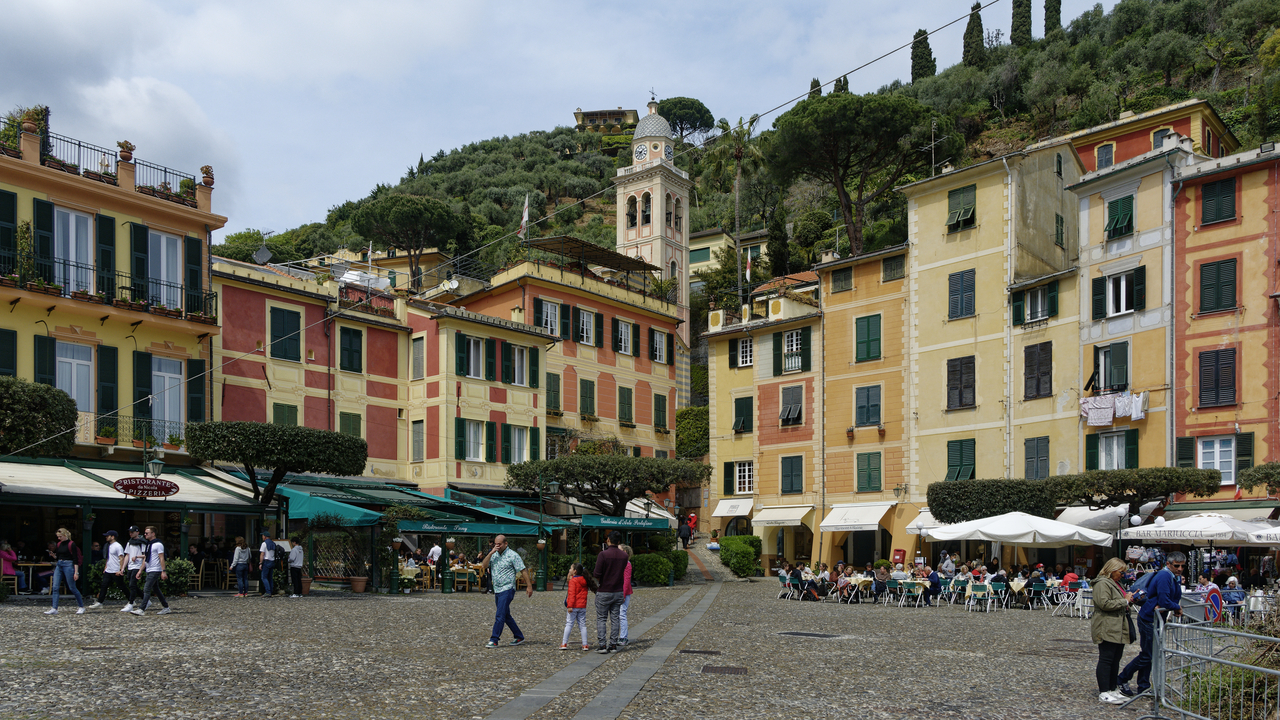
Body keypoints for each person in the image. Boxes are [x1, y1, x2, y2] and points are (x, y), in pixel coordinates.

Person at [1117, 551, 1185, 698]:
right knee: (1148, 655)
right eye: (1177, 565)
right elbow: (1164, 599)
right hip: (1149, 618)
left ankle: (1143, 686)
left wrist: (1171, 606)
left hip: (1156, 618)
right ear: (1168, 564)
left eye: (1182, 566)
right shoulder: (1165, 576)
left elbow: (1167, 600)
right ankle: (1122, 678)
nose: (1180, 568)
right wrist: (1176, 607)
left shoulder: (1173, 577)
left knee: (1149, 654)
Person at [1091, 557, 1134, 705]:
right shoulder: (1102, 583)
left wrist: (1128, 599)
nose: (1123, 575)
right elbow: (1104, 603)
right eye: (1121, 572)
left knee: (1116, 659)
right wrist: (1125, 601)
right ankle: (1104, 691)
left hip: (1118, 626)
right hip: (1107, 625)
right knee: (1106, 658)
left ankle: (1112, 688)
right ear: (1112, 570)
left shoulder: (1115, 583)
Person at [481, 534, 533, 648]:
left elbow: (523, 570)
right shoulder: (493, 555)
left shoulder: (513, 555)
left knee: (500, 614)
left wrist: (529, 586)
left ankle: (494, 639)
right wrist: (490, 553)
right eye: (495, 544)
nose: (497, 546)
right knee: (505, 615)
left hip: (508, 588)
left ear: (505, 544)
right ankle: (519, 636)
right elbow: (483, 566)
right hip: (498, 589)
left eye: (499, 544)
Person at [593, 530, 629, 653]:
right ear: (619, 542)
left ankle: (602, 645)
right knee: (615, 618)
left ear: (608, 540)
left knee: (602, 618)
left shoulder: (603, 555)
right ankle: (613, 644)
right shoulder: (624, 556)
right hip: (618, 590)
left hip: (604, 590)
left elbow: (597, 573)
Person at [131, 526, 171, 615]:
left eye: (147, 533)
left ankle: (141, 609)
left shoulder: (158, 544)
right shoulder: (149, 544)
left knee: (147, 588)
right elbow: (146, 558)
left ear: (153, 534)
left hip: (155, 569)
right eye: (145, 533)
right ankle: (166, 607)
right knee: (156, 589)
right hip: (149, 569)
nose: (144, 535)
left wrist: (163, 571)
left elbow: (161, 558)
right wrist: (140, 570)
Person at [44, 528, 85, 615]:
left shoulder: (72, 544)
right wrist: (54, 556)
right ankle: (54, 608)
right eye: (58, 537)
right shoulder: (59, 544)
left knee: (72, 587)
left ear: (65, 535)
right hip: (59, 564)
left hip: (69, 565)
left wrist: (76, 572)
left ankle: (81, 606)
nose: (58, 538)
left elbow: (75, 559)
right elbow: (58, 556)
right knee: (55, 587)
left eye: (60, 536)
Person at [561, 562, 596, 650]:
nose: (569, 570)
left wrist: (569, 606)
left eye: (571, 568)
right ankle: (585, 644)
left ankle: (564, 643)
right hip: (582, 606)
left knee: (569, 624)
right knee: (582, 625)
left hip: (573, 607)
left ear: (575, 571)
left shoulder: (573, 581)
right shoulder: (585, 580)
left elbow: (572, 594)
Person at [89, 531, 126, 609]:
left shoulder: (118, 546)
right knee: (104, 585)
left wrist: (121, 569)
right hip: (109, 570)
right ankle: (100, 602)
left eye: (108, 536)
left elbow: (121, 558)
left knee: (121, 586)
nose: (106, 537)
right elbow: (108, 558)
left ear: (112, 537)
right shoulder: (109, 546)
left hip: (115, 569)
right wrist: (106, 567)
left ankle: (131, 600)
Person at [121, 527, 145, 613]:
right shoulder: (129, 542)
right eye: (130, 532)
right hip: (130, 566)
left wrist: (138, 558)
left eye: (132, 532)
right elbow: (127, 555)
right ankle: (145, 599)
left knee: (132, 584)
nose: (130, 533)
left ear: (137, 532)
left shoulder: (142, 542)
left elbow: (145, 555)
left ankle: (131, 603)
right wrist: (123, 567)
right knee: (132, 585)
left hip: (137, 565)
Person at [619, 544, 634, 646]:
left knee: (622, 614)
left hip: (624, 592)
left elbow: (626, 581)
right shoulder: (620, 563)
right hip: (618, 591)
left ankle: (623, 637)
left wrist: (623, 595)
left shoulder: (627, 564)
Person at [258, 530, 277, 597]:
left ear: (265, 537)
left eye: (263, 536)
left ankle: (268, 592)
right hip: (272, 561)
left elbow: (262, 554)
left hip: (266, 561)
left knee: (264, 577)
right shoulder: (273, 543)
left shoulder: (264, 544)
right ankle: (271, 591)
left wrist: (260, 563)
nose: (262, 537)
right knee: (270, 577)